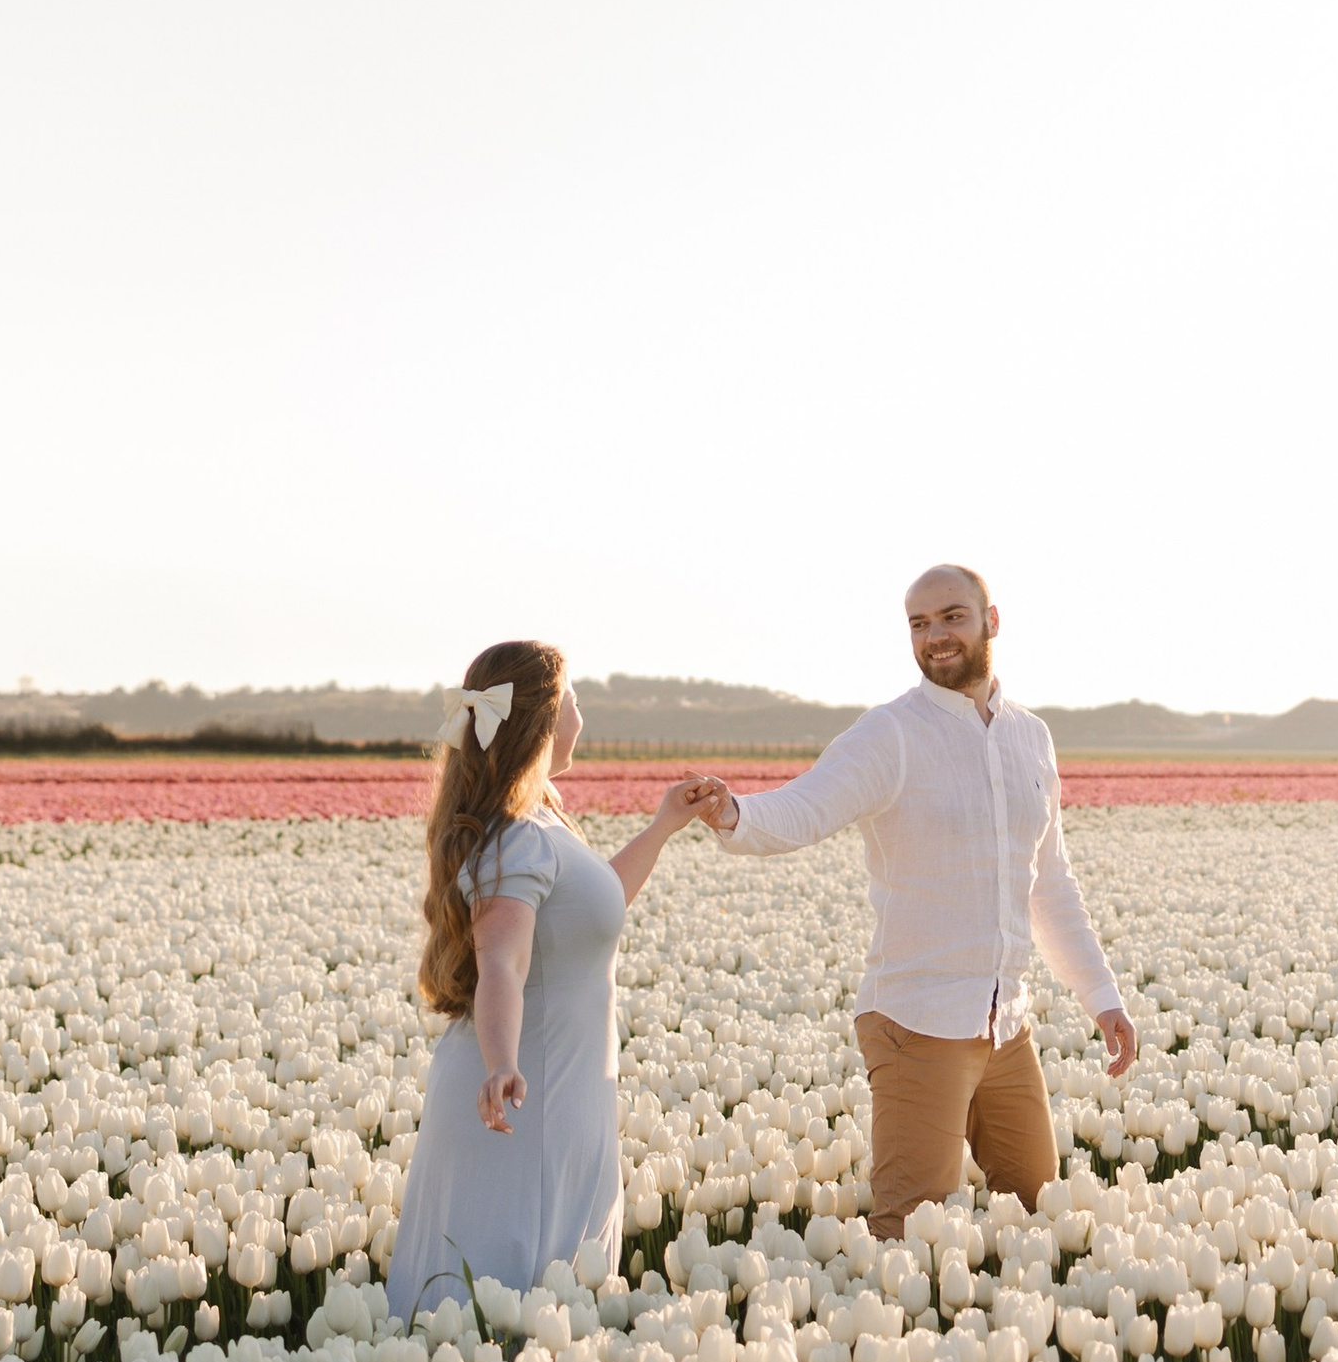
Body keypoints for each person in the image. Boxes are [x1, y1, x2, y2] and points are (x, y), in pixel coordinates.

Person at [702, 565, 1135, 1241]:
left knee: (1042, 1210)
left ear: (992, 620)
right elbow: (806, 807)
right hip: (917, 1018)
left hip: (1003, 1024)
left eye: (951, 617)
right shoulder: (891, 735)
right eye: (918, 623)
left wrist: (1101, 995)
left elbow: (1048, 881)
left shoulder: (1031, 737)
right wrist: (735, 814)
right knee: (909, 1229)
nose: (935, 636)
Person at [388, 639, 725, 1319]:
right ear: (545, 719)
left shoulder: (540, 822)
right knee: (509, 1271)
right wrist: (501, 1062)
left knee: (538, 1275)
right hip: (524, 1091)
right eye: (575, 699)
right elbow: (502, 961)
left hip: (556, 1084)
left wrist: (663, 827)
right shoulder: (518, 837)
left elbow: (589, 912)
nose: (582, 713)